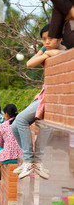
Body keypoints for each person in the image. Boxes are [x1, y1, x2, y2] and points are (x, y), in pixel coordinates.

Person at [12, 23, 66, 180]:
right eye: (43, 39)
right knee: (16, 124)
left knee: (22, 120)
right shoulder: (47, 50)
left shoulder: (66, 51)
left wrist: (54, 52)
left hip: (55, 96)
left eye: (50, 38)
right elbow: (29, 63)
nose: (46, 42)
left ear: (60, 38)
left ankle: (30, 161)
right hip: (45, 93)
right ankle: (34, 162)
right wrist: (45, 53)